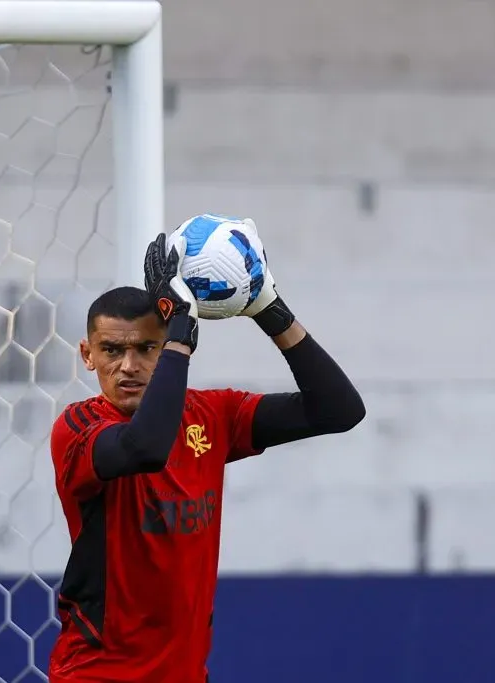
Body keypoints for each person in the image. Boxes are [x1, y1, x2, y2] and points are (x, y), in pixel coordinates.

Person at [47, 221, 366, 682]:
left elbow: (339, 410)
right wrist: (179, 331)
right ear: (87, 354)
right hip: (100, 673)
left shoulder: (212, 415)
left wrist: (271, 312)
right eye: (112, 350)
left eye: (147, 348)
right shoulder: (78, 428)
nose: (129, 366)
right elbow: (145, 447)